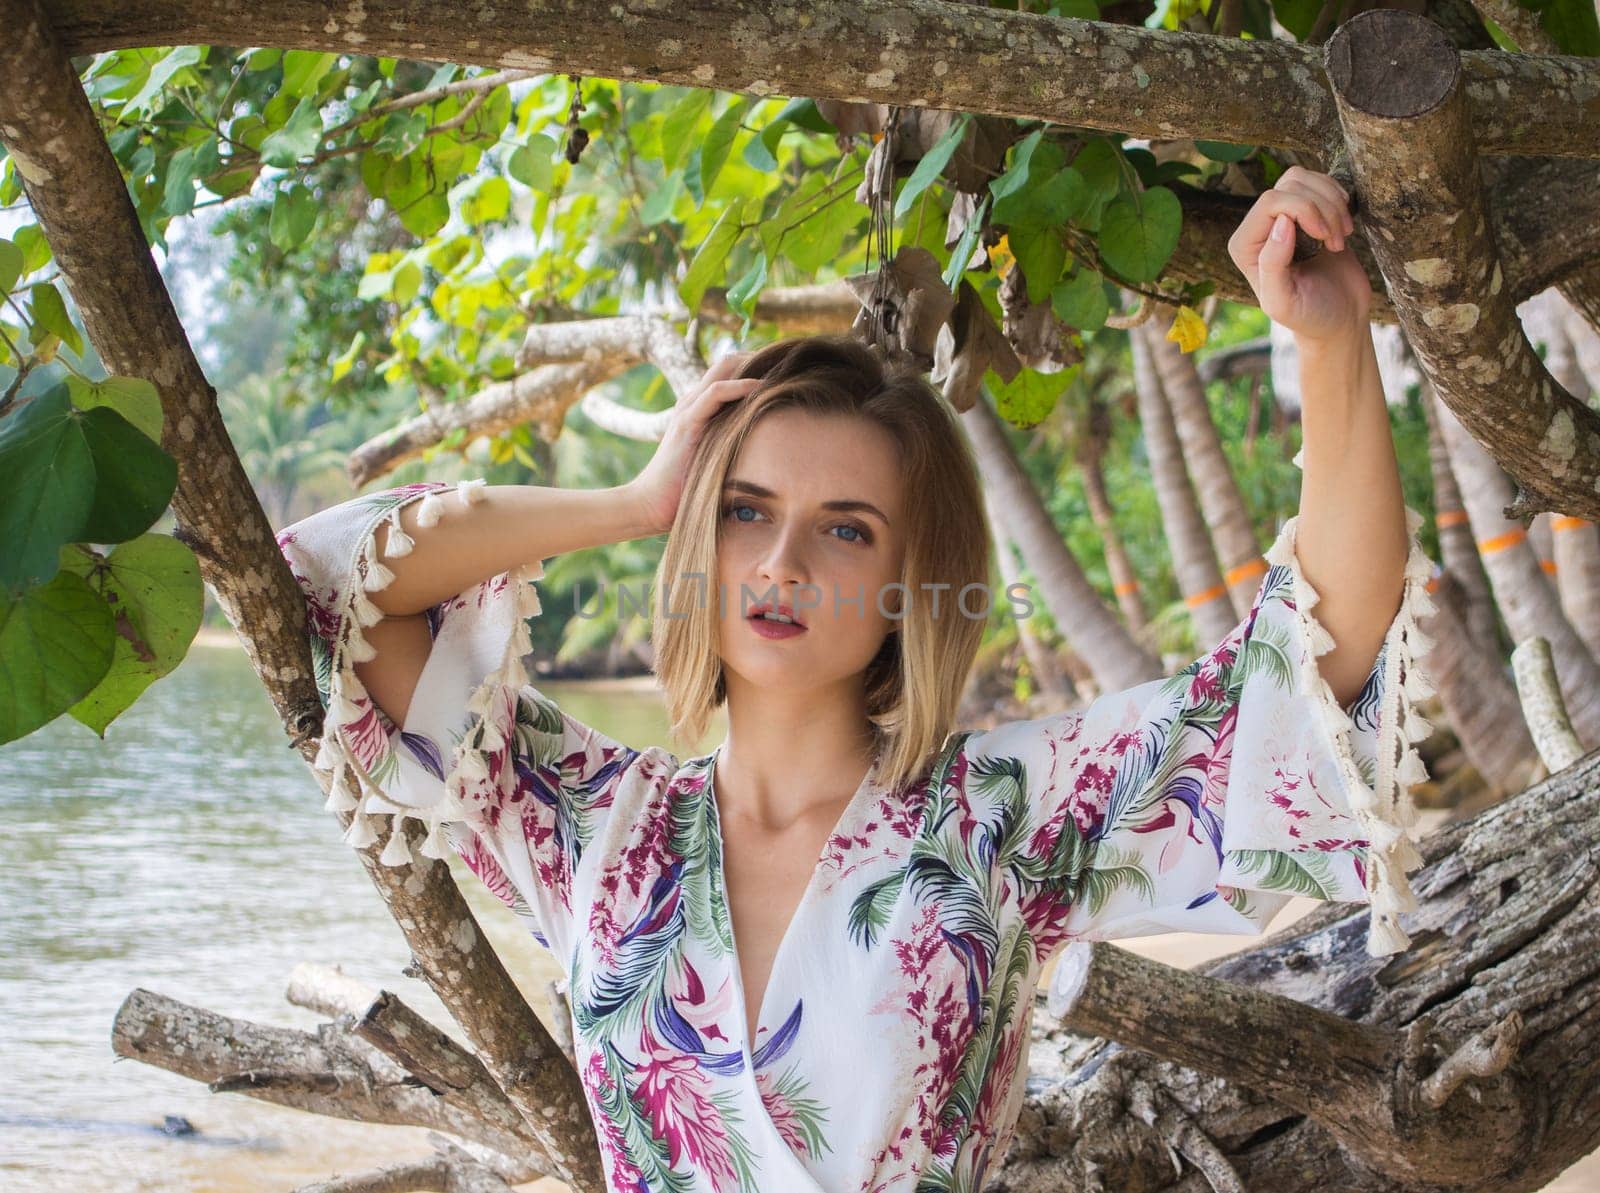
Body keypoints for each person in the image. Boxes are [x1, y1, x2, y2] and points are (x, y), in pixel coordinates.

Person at [275, 165, 1437, 1191]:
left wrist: (1332, 344)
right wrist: (637, 502)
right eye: (745, 513)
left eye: (843, 531)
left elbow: (1318, 667)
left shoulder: (998, 815)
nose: (779, 563)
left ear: (904, 582)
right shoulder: (589, 823)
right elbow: (327, 582)